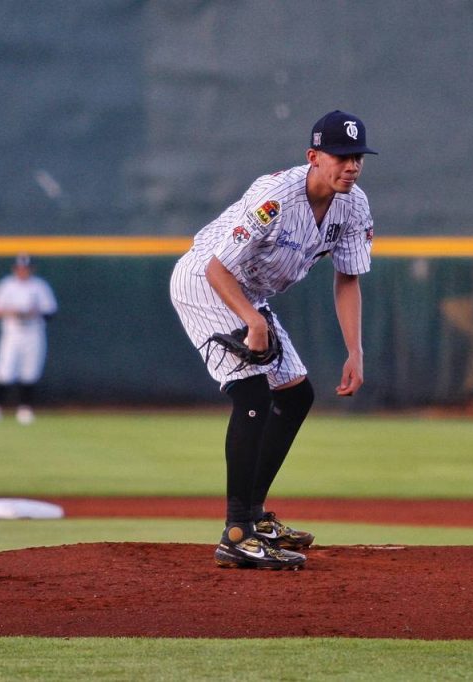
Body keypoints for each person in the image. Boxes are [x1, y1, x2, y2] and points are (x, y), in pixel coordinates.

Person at [170, 110, 377, 569]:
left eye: (358, 157)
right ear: (314, 157)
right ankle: (236, 533)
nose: (351, 166)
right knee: (252, 394)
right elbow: (216, 268)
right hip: (206, 283)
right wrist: (253, 321)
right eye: (341, 156)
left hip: (249, 294)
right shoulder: (275, 197)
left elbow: (348, 278)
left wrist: (355, 351)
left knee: (296, 395)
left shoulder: (354, 205)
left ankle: (255, 516)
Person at [0, 254, 58, 425]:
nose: (23, 271)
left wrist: (32, 312)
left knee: (30, 371)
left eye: (26, 268)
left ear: (32, 269)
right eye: (20, 268)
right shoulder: (6, 285)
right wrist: (13, 312)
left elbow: (50, 312)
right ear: (14, 269)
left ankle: (25, 409)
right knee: (4, 370)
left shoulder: (39, 286)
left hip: (34, 333)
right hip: (12, 333)